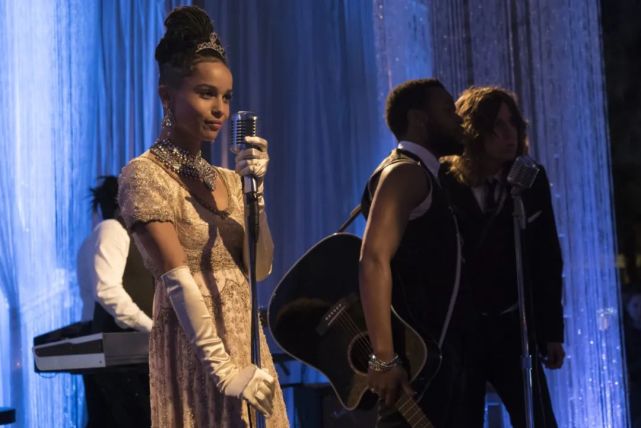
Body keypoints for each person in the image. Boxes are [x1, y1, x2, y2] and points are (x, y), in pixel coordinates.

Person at [117, 6, 288, 427]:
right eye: (206, 93)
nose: (220, 109)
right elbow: (177, 279)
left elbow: (259, 269)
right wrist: (224, 371)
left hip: (247, 345)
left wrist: (256, 194)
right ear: (167, 97)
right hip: (198, 353)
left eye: (226, 97)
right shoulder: (144, 175)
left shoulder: (230, 179)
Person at [441, 86, 564, 427]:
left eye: (513, 124)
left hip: (513, 324)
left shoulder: (529, 178)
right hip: (463, 329)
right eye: (497, 125)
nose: (509, 135)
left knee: (537, 417)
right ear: (474, 130)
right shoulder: (445, 179)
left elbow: (546, 258)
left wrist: (552, 332)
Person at [359, 78, 472, 427]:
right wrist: (384, 359)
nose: (459, 120)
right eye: (448, 111)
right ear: (419, 119)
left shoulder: (421, 174)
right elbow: (373, 259)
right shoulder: (405, 173)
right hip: (416, 366)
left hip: (432, 358)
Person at [76, 175, 154, 428]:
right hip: (117, 345)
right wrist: (151, 327)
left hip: (120, 344)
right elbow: (107, 291)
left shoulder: (113, 233)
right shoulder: (110, 230)